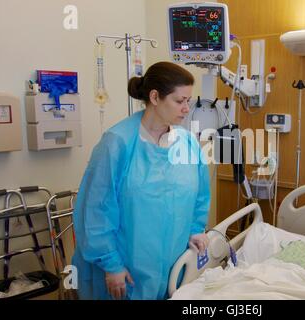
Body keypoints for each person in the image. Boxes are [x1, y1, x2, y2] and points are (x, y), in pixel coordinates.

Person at [72, 61, 211, 300]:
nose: (187, 109)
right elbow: (97, 210)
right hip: (126, 270)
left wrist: (196, 229)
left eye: (189, 100)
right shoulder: (117, 143)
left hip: (172, 266)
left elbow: (199, 195)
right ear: (155, 97)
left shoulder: (187, 145)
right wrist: (111, 264)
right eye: (180, 101)